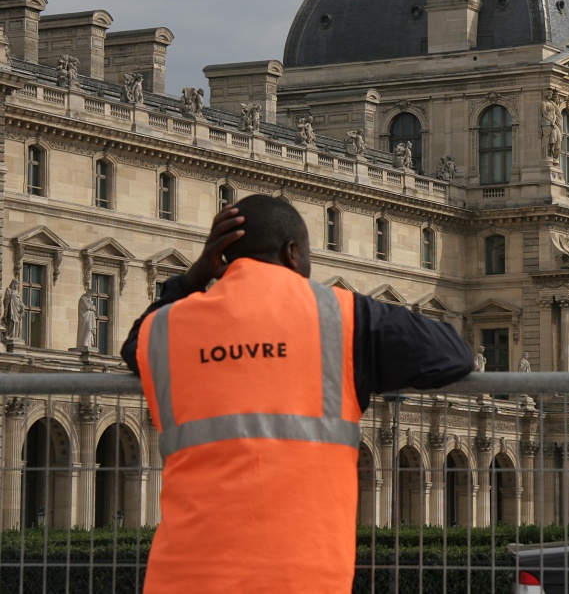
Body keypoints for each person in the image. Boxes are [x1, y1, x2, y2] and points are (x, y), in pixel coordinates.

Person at [120, 195, 473, 594]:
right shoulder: (340, 316)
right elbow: (454, 356)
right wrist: (369, 365)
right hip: (303, 576)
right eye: (307, 257)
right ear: (292, 253)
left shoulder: (169, 328)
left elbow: (133, 345)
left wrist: (191, 279)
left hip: (184, 577)